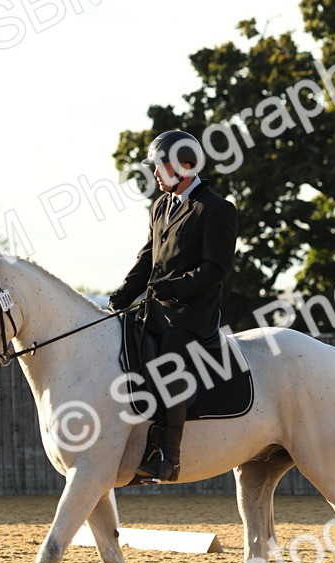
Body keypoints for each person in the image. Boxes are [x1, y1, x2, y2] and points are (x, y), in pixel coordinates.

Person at [108, 130, 238, 483]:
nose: (153, 174)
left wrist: (172, 288)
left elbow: (216, 269)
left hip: (192, 315)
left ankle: (167, 455)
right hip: (156, 310)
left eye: (159, 167)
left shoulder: (216, 208)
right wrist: (123, 293)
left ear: (184, 165)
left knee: (170, 358)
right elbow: (148, 256)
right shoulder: (160, 206)